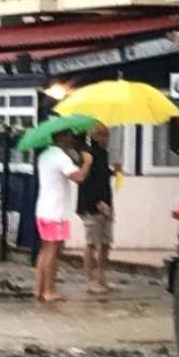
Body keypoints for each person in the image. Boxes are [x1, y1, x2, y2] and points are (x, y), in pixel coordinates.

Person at [35, 130, 93, 303]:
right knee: (53, 251)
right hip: (56, 212)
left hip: (44, 209)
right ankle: (49, 290)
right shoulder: (60, 157)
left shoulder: (45, 155)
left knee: (45, 249)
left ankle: (38, 288)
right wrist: (87, 163)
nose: (72, 139)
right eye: (69, 136)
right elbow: (79, 177)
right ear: (60, 137)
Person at [77, 124, 115, 294]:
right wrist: (96, 201)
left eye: (107, 135)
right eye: (103, 135)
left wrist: (113, 172)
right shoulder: (87, 154)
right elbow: (86, 181)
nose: (106, 139)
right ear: (94, 135)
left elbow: (101, 175)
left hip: (107, 203)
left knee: (106, 242)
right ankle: (89, 279)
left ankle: (102, 276)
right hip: (91, 205)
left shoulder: (103, 153)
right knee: (91, 242)